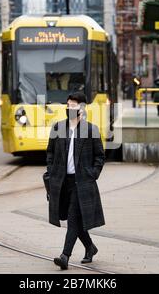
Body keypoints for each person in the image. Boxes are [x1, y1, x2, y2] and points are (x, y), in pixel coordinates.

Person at [43, 92, 105, 270]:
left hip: (82, 182)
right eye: (68, 105)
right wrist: (51, 173)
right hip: (63, 182)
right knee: (75, 219)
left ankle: (65, 256)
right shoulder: (58, 128)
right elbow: (50, 153)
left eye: (73, 105)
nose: (69, 108)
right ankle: (90, 247)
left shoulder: (90, 129)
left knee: (72, 218)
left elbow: (100, 156)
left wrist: (92, 174)